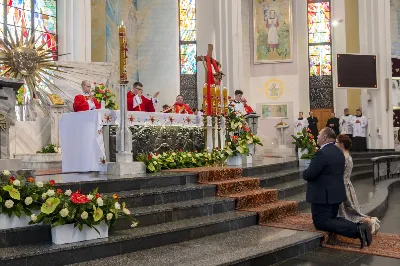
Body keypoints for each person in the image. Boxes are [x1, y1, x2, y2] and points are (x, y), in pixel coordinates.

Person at [303, 127, 372, 249]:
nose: (317, 137)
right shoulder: (338, 152)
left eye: (319, 135)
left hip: (323, 196)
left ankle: (357, 229)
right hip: (335, 194)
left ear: (324, 138)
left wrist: (304, 172)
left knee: (321, 222)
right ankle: (360, 226)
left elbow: (309, 174)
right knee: (332, 218)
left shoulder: (322, 153)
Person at [336, 134, 381, 234]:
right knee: (351, 212)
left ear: (342, 144)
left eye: (337, 142)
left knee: (348, 215)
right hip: (347, 185)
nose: (336, 144)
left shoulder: (343, 157)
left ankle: (370, 222)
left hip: (342, 187)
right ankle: (370, 221)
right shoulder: (347, 155)